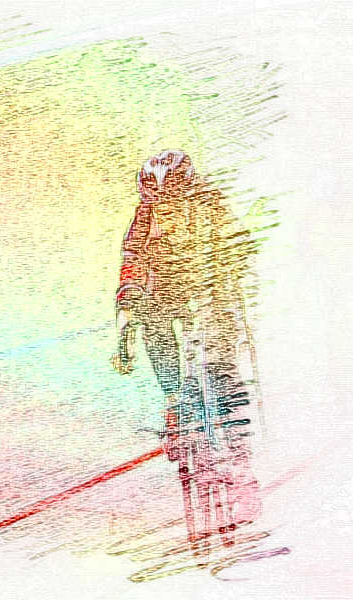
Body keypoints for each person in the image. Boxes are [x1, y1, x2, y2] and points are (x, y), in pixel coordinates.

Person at [111, 150, 261, 526]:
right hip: (169, 291)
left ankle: (242, 470)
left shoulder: (212, 202)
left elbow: (241, 242)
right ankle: (174, 400)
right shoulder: (145, 214)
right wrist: (126, 318)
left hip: (212, 291)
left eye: (174, 202)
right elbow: (130, 263)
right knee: (150, 318)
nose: (167, 210)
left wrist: (236, 265)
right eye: (159, 204)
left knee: (223, 372)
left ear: (190, 191)